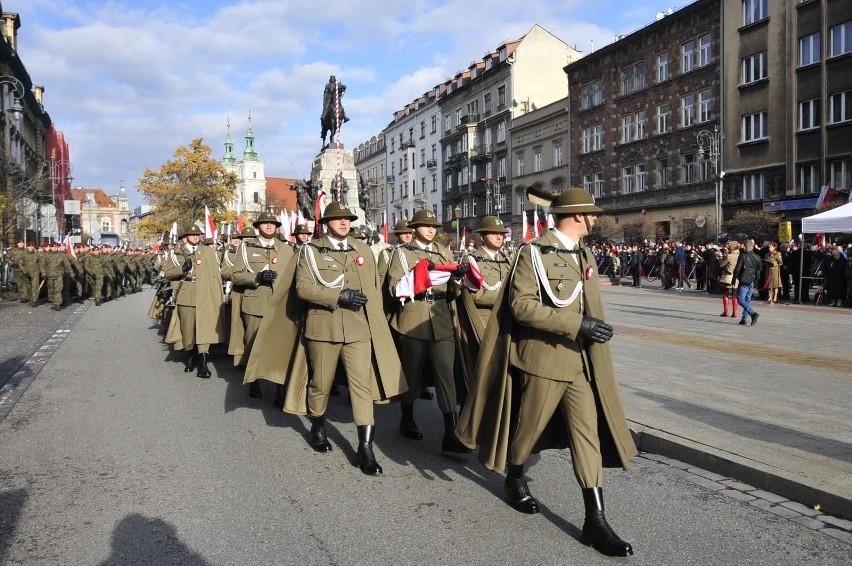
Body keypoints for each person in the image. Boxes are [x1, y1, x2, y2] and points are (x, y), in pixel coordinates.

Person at [457, 188, 637, 557]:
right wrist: (576, 325)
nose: (595, 219)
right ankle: (515, 471)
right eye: (591, 214)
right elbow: (521, 307)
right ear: (576, 217)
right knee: (529, 429)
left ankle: (596, 519)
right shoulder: (533, 252)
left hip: (582, 362)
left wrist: (591, 331)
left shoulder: (583, 253)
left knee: (586, 437)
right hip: (543, 360)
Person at [295, 201, 405, 474]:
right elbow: (303, 288)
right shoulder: (311, 251)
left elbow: (374, 288)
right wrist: (337, 296)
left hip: (358, 329)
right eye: (338, 219)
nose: (344, 222)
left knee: (361, 387)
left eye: (347, 218)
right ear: (326, 223)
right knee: (321, 383)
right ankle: (318, 426)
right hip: (324, 329)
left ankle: (365, 448)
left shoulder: (363, 249)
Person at [385, 208, 470, 453]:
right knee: (411, 374)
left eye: (434, 226)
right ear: (414, 228)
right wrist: (419, 276)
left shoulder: (443, 252)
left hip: (440, 319)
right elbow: (394, 288)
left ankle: (450, 431)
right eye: (426, 225)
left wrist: (457, 281)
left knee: (446, 374)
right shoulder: (401, 254)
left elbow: (453, 294)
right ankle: (406, 417)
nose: (432, 229)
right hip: (413, 318)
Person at [231, 212, 295, 397]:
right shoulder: (246, 248)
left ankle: (279, 388)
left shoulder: (287, 249)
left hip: (280, 307)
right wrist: (256, 277)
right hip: (255, 304)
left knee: (281, 347)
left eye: (272, 224)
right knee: (253, 345)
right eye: (265, 223)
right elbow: (236, 275)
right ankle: (253, 380)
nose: (269, 226)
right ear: (258, 226)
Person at [163, 224, 226, 377]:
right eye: (192, 234)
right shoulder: (177, 252)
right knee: (188, 328)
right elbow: (168, 272)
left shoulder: (207, 252)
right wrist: (182, 269)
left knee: (203, 327)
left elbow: (215, 274)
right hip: (187, 292)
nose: (196, 236)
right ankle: (190, 357)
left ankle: (203, 364)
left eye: (198, 234)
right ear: (186, 237)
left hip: (204, 292)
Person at [732, 239, 762, 326]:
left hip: (744, 279)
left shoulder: (743, 256)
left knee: (740, 299)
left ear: (745, 246)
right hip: (752, 280)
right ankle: (744, 319)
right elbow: (759, 270)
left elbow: (738, 268)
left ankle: (753, 313)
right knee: (747, 300)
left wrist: (734, 278)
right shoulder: (757, 256)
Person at [716, 241, 739, 318]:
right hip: (736, 276)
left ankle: (726, 311)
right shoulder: (739, 255)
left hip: (728, 276)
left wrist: (720, 257)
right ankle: (735, 312)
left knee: (725, 293)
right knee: (734, 294)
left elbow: (722, 264)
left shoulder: (730, 256)